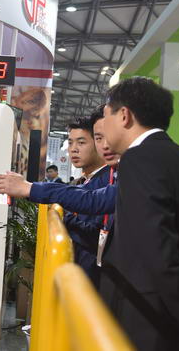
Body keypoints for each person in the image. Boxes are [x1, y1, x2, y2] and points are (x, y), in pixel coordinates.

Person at [0, 77, 179, 351]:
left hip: (156, 327)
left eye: (107, 114)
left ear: (124, 116)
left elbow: (160, 257)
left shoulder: (140, 160)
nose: (102, 127)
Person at [63, 117, 108, 285]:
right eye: (70, 143)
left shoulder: (106, 183)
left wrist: (65, 216)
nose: (73, 149)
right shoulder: (83, 182)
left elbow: (95, 235)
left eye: (81, 143)